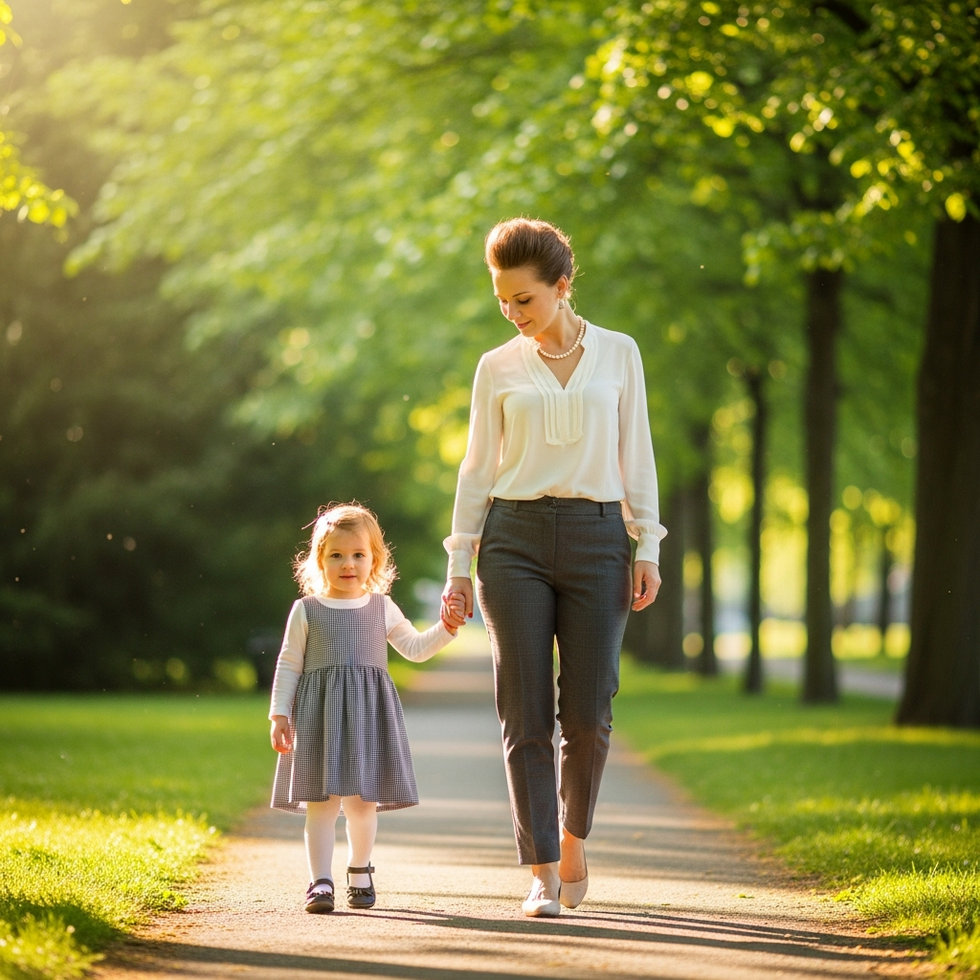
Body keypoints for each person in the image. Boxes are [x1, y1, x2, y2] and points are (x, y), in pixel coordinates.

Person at [441, 217, 666, 918]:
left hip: (601, 540)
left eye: (525, 300)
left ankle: (573, 839)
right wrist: (457, 561)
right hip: (513, 541)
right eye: (502, 301)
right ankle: (540, 870)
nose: (512, 314)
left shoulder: (621, 354)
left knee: (590, 713)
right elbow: (477, 468)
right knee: (525, 711)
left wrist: (647, 543)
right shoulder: (497, 367)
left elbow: (638, 454)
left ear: (561, 288)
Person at [270, 502, 465, 913]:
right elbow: (289, 663)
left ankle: (360, 869)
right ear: (319, 560)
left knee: (361, 803)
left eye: (359, 554)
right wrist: (280, 715)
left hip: (367, 718)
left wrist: (446, 629)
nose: (348, 564)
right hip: (319, 718)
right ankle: (320, 882)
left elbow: (413, 648)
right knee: (321, 804)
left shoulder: (381, 607)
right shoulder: (307, 610)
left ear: (375, 558)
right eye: (336, 555)